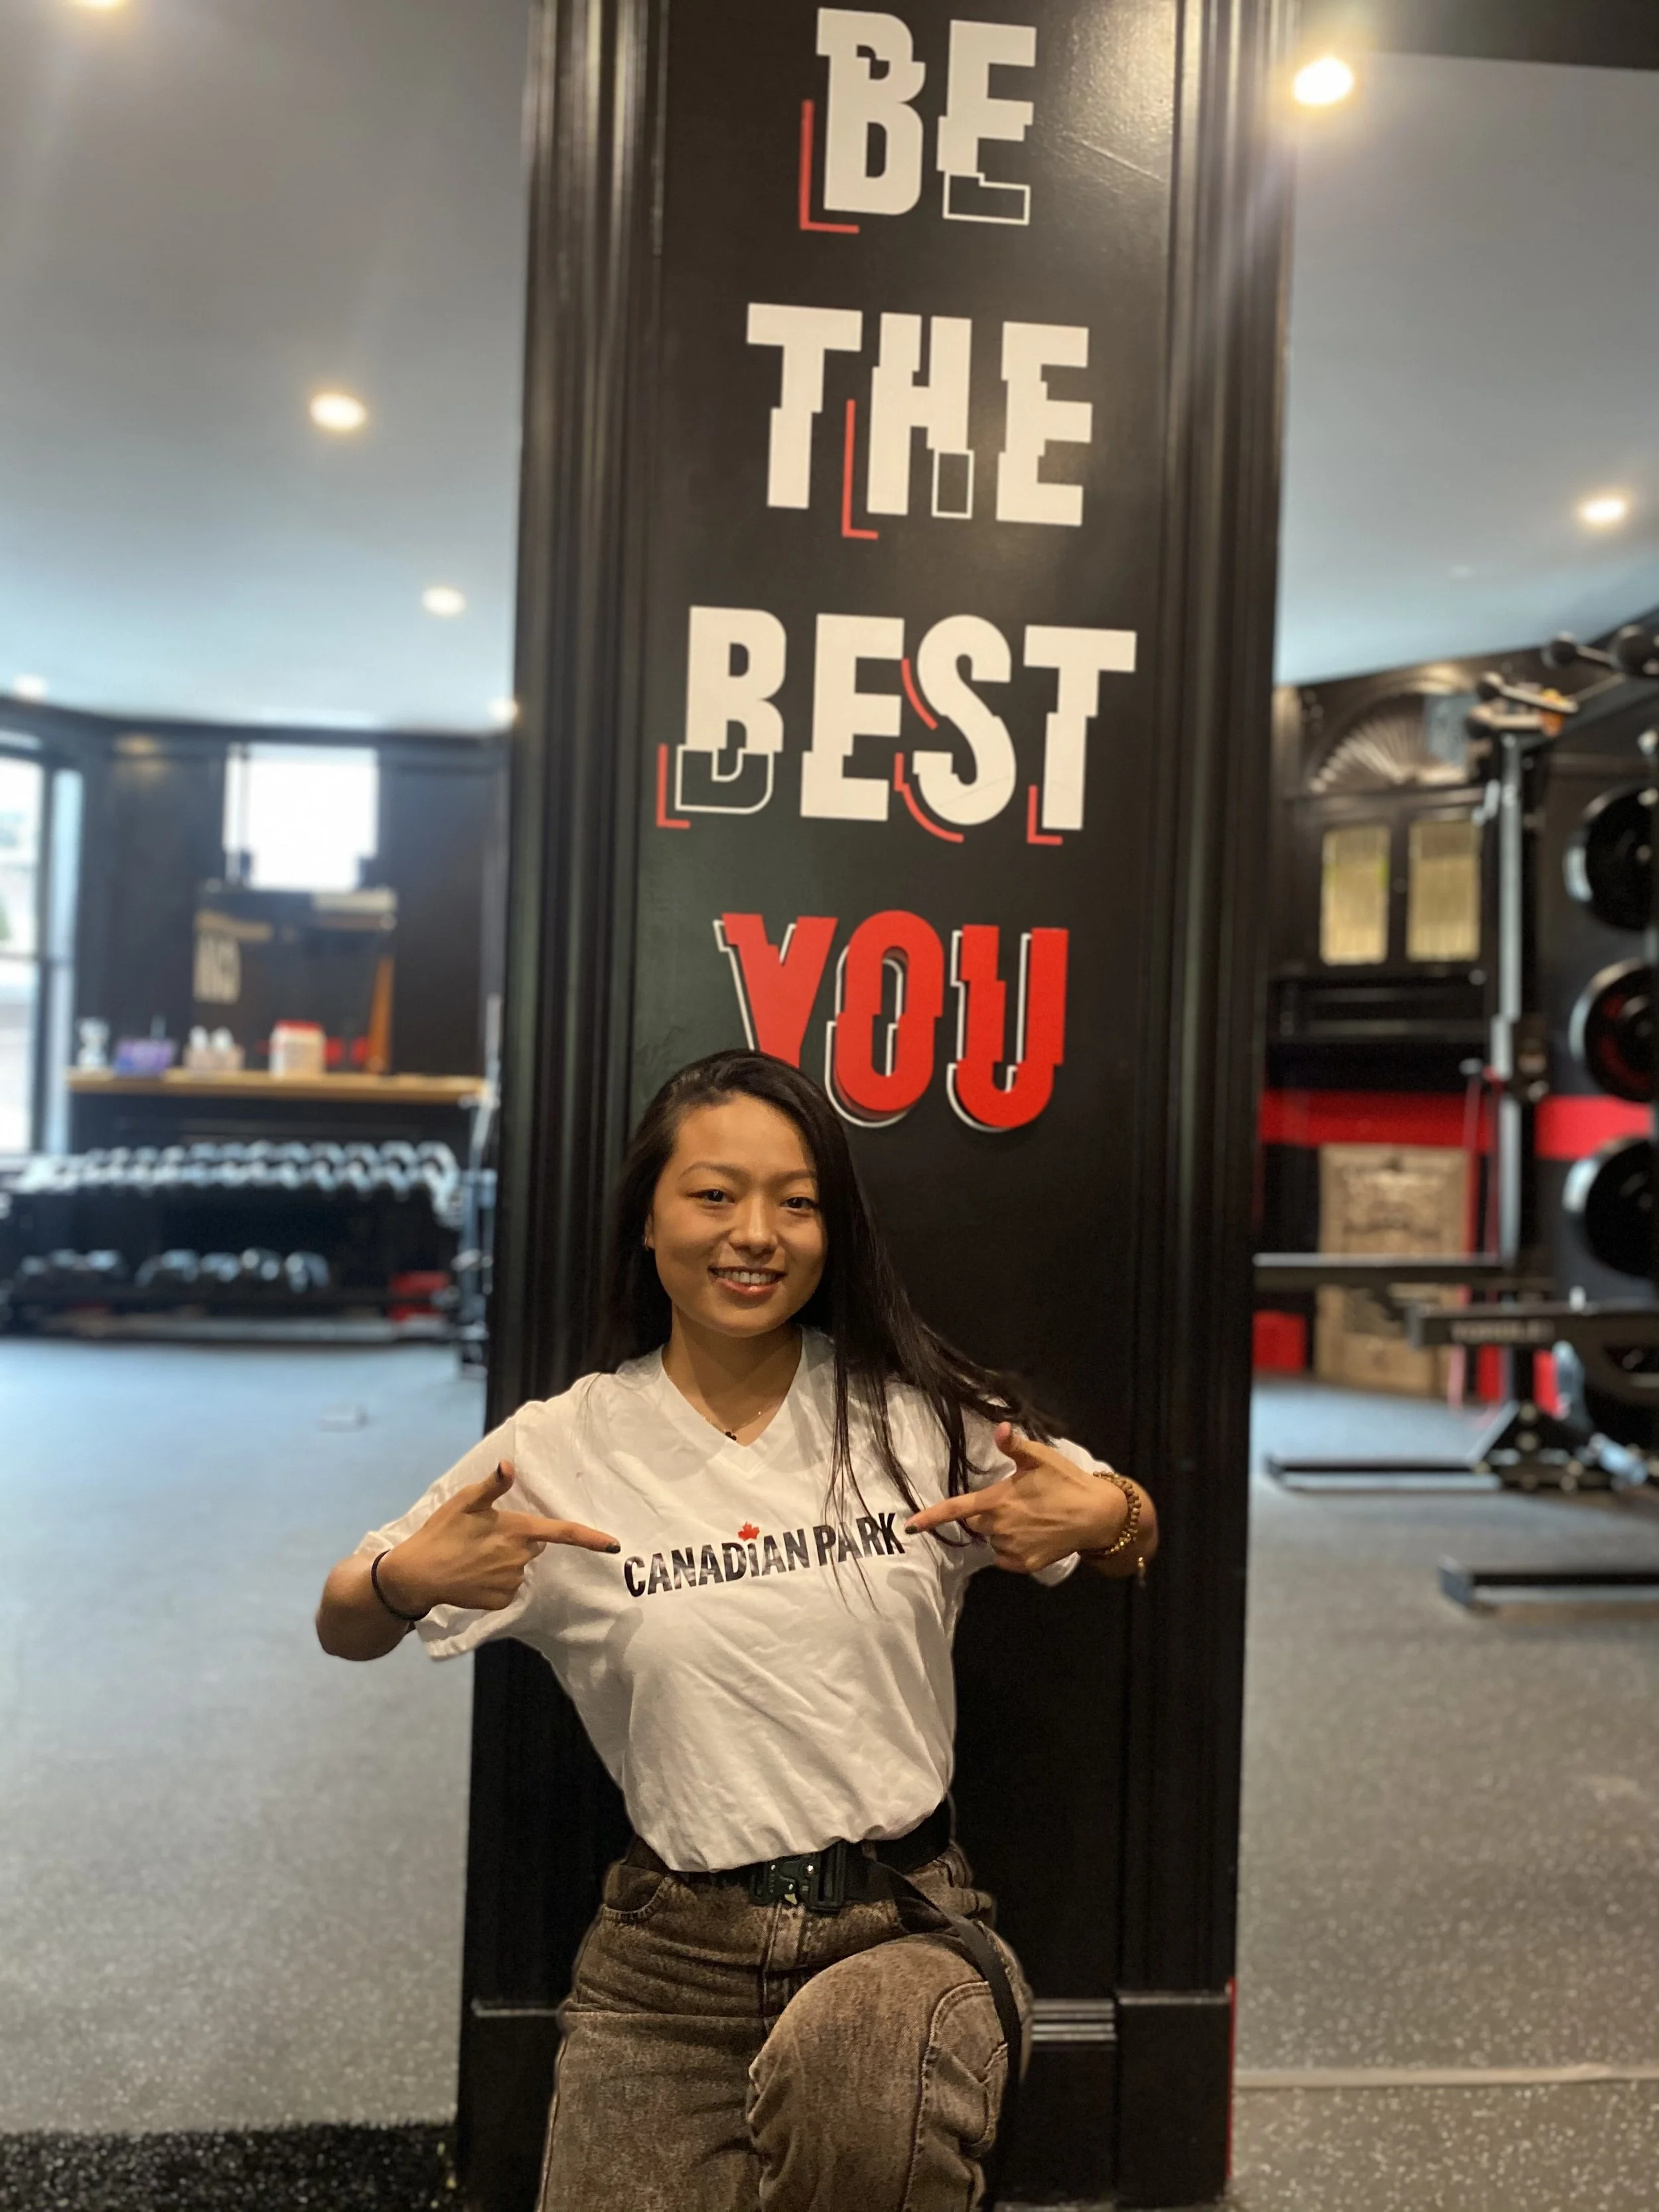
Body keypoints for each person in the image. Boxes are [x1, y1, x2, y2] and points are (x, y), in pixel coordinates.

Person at [316, 1050, 1157, 2212]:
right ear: (648, 1221)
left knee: (858, 2083)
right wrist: (406, 1580)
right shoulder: (565, 1446)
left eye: (796, 1202)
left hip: (898, 1925)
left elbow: (1129, 1526)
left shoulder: (910, 1415)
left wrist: (1111, 1512)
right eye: (715, 1195)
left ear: (832, 1232)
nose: (754, 1233)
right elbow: (344, 1620)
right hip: (671, 1959)